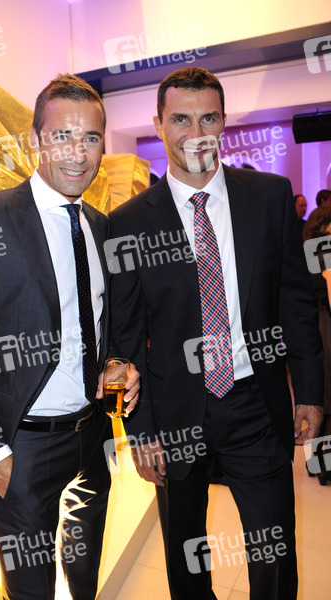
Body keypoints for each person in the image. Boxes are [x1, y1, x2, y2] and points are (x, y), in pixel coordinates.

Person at [107, 67, 323, 600]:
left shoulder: (269, 197)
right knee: (186, 555)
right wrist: (141, 431)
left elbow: (295, 301)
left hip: (256, 404)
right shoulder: (129, 222)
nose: (196, 132)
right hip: (174, 412)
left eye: (208, 118)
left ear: (224, 122)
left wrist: (310, 391)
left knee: (273, 549)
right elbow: (127, 335)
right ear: (159, 124)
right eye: (181, 119)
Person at [0, 73, 139, 600]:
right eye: (62, 136)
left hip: (92, 439)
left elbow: (98, 323)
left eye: (91, 137)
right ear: (34, 139)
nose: (78, 153)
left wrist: (116, 363)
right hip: (22, 448)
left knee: (84, 581)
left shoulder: (100, 226)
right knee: (30, 592)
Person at [303, 207, 331, 485]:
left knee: (319, 396)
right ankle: (325, 467)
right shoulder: (324, 247)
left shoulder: (309, 247)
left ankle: (316, 463)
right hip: (326, 324)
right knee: (327, 399)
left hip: (313, 326)